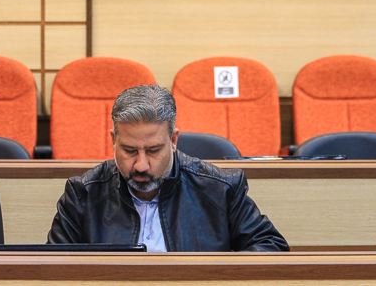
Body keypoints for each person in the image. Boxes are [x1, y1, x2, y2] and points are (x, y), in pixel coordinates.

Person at [47, 84, 289, 251]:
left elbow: (271, 248)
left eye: (153, 150)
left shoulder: (220, 189)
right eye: (129, 150)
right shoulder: (83, 194)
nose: (141, 165)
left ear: (173, 140)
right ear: (113, 140)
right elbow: (53, 268)